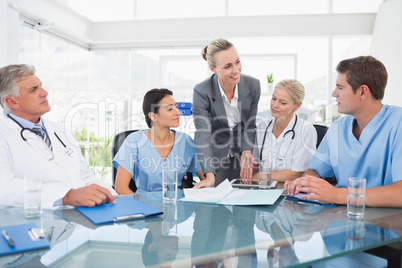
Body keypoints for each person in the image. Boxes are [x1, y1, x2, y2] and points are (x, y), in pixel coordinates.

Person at [285, 56, 402, 207]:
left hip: (387, 224)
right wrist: (304, 184)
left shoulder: (397, 123)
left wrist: (338, 195)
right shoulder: (338, 128)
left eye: (340, 87)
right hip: (340, 219)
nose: (334, 94)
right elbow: (315, 170)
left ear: (362, 92)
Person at [0, 64, 116, 208]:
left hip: (76, 219)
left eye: (40, 85)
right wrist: (66, 196)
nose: (44, 92)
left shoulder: (60, 131)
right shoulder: (4, 135)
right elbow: (5, 189)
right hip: (32, 222)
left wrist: (115, 198)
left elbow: (85, 176)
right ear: (12, 101)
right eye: (34, 89)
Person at [113, 88, 211, 194]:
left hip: (177, 203)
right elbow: (121, 188)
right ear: (153, 116)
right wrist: (145, 208)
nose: (177, 112)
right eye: (170, 109)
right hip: (145, 204)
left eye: (176, 107)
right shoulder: (134, 141)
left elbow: (206, 179)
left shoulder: (185, 141)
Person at [193, 38, 261, 186]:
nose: (236, 70)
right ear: (213, 69)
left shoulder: (253, 85)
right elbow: (203, 134)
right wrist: (209, 175)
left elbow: (250, 124)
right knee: (217, 203)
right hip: (215, 157)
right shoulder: (202, 91)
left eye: (237, 62)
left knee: (246, 203)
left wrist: (247, 151)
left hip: (243, 154)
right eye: (228, 66)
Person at [252, 79, 317, 182]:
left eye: (282, 102)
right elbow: (255, 163)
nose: (275, 105)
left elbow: (297, 173)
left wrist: (260, 177)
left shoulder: (305, 130)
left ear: (297, 105)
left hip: (289, 191)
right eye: (273, 99)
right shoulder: (262, 127)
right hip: (263, 189)